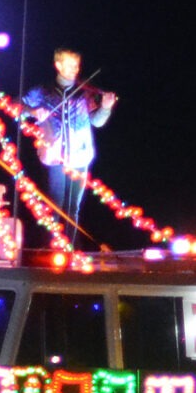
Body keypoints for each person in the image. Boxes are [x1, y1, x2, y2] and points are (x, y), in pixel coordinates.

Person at [21, 47, 116, 247]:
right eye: (71, 65)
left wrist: (106, 108)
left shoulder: (85, 93)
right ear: (58, 65)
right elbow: (15, 106)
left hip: (80, 158)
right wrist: (32, 111)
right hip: (54, 157)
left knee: (73, 208)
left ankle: (69, 252)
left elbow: (97, 122)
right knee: (54, 205)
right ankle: (51, 250)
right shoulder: (42, 91)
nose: (75, 69)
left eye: (77, 65)